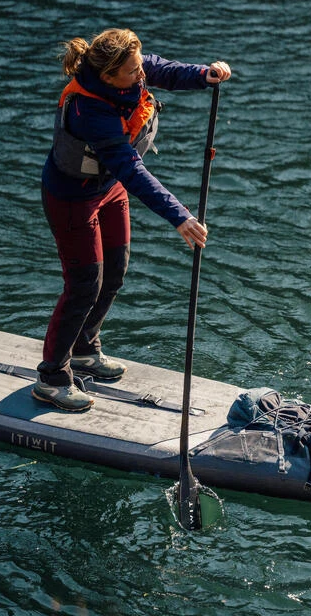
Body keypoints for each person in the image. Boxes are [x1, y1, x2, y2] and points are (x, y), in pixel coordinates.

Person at [33, 28, 232, 411]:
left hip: (108, 189)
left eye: (140, 66)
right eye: (132, 71)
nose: (142, 74)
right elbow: (130, 168)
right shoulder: (89, 110)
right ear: (108, 76)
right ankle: (51, 378)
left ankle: (84, 348)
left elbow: (164, 69)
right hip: (73, 198)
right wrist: (179, 216)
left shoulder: (130, 69)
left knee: (115, 270)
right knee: (83, 285)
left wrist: (203, 75)